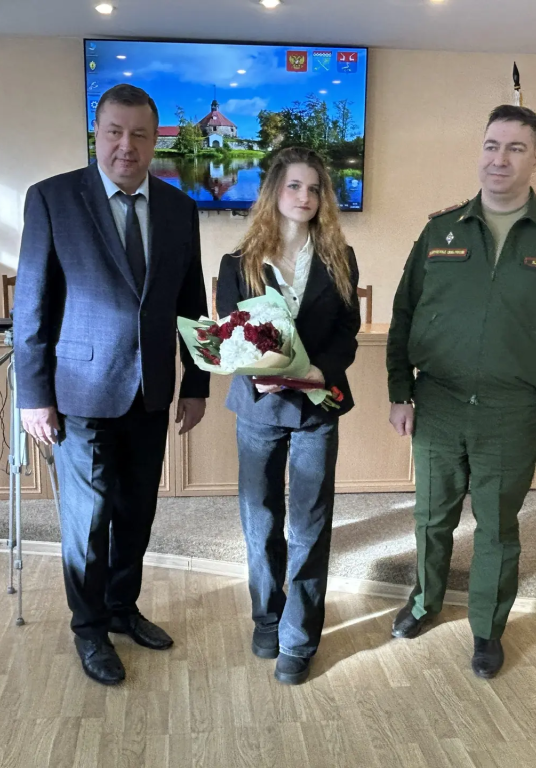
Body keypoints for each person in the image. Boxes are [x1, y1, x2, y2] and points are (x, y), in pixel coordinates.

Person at [385, 105, 536, 679]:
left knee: (498, 528)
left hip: (513, 411)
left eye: (515, 148)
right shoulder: (441, 230)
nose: (499, 159)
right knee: (431, 517)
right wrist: (400, 390)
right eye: (491, 145)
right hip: (439, 402)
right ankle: (424, 602)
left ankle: (487, 628)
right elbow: (404, 313)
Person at [13, 84, 209, 686]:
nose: (127, 146)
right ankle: (90, 626)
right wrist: (33, 395)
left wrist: (196, 381)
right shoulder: (52, 199)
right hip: (79, 392)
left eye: (140, 134)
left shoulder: (179, 209)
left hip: (150, 391)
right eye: (115, 132)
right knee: (88, 522)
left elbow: (191, 302)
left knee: (136, 513)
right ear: (96, 135)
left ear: (155, 141)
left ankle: (123, 608)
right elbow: (32, 304)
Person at [216, 147, 361, 686]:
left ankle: (299, 639)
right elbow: (231, 335)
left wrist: (321, 369)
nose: (305, 197)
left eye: (314, 188)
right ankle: (267, 617)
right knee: (261, 521)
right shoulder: (237, 263)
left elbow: (347, 332)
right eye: (294, 186)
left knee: (309, 525)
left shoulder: (340, 258)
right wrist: (256, 367)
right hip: (259, 407)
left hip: (318, 406)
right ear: (274, 190)